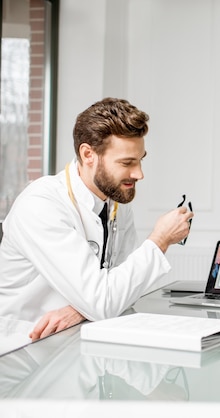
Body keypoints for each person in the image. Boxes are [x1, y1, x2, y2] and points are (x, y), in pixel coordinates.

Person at [0, 98, 193, 342]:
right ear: (88, 154)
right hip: (23, 349)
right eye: (127, 163)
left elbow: (124, 288)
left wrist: (80, 309)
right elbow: (104, 301)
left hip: (76, 340)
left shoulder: (115, 203)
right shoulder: (41, 204)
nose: (139, 174)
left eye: (140, 159)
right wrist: (159, 240)